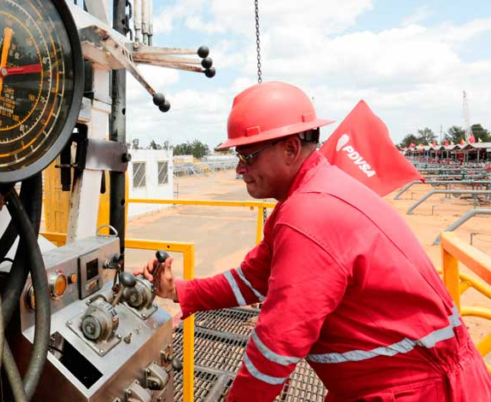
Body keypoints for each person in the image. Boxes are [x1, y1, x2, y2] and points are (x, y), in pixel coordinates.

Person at [139, 82, 491, 402]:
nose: (239, 169)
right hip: (387, 383)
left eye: (248, 155)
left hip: (422, 390)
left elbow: (276, 346)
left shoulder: (310, 214)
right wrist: (178, 291)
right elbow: (251, 279)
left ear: (291, 148)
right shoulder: (305, 198)